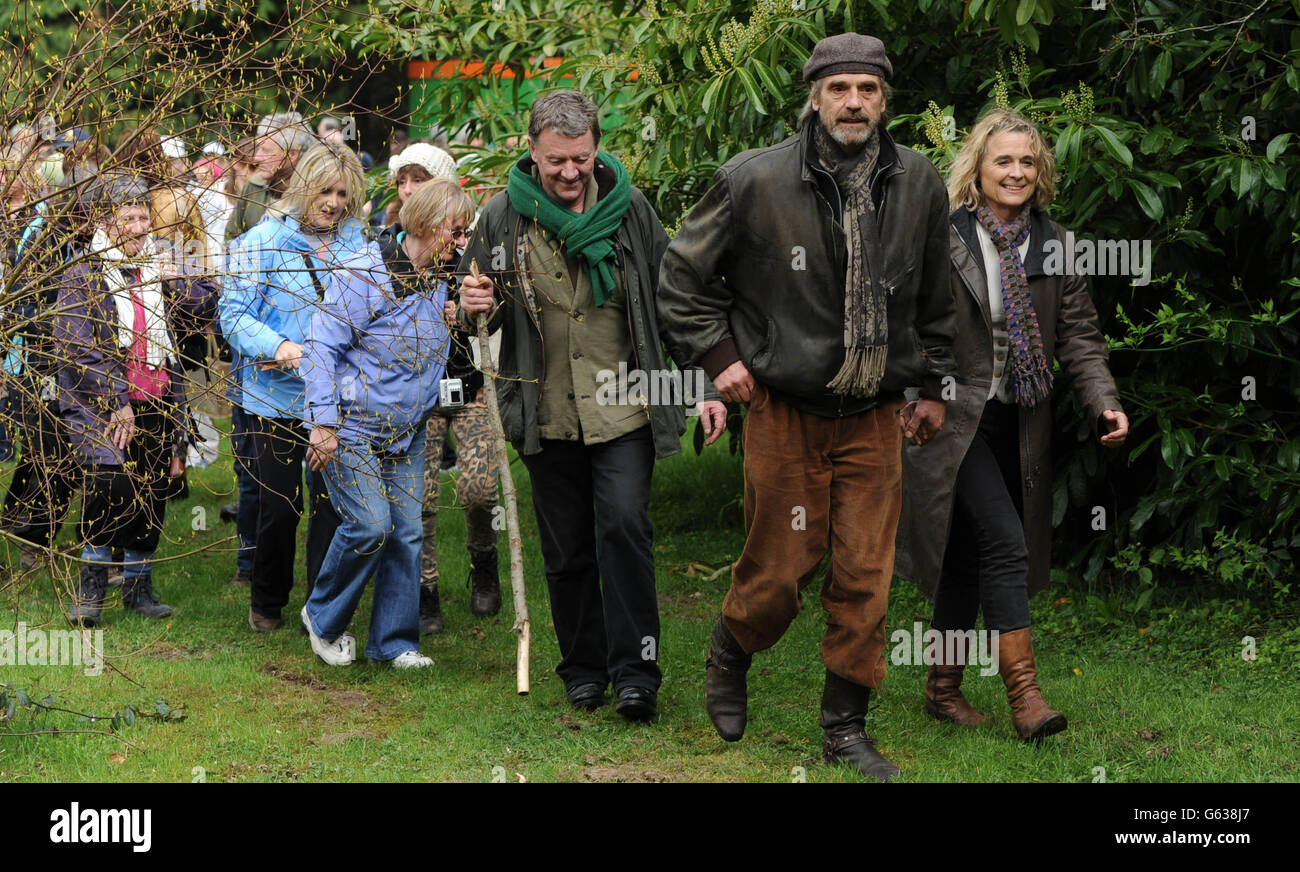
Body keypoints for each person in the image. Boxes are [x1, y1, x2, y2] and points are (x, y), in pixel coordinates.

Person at [657, 33, 958, 780]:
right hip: (786, 411)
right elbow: (680, 279)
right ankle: (731, 650)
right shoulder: (754, 180)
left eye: (867, 89)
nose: (853, 102)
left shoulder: (919, 181)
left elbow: (937, 301)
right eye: (838, 88)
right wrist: (720, 361)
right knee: (779, 571)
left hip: (873, 417)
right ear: (813, 97)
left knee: (866, 575)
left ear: (886, 100)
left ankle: (845, 728)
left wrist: (931, 385)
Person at [458, 90, 726, 721]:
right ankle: (583, 669)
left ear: (597, 148)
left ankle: (637, 673)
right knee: (567, 547)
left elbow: (675, 300)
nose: (570, 172)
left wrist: (705, 386)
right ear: (532, 151)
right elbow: (475, 311)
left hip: (625, 408)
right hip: (545, 409)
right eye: (556, 161)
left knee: (625, 530)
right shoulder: (500, 219)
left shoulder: (630, 210)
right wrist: (471, 303)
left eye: (580, 157)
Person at [893, 108, 1129, 741]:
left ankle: (942, 688)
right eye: (1003, 160)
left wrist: (1103, 400)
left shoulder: (1055, 242)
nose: (1016, 172)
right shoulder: (941, 236)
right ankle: (1025, 698)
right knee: (1005, 540)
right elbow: (909, 326)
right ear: (978, 166)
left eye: (1028, 161)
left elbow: (1078, 337)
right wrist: (918, 395)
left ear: (1040, 170)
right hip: (951, 417)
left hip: (1018, 420)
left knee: (969, 555)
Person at [299, 179, 462, 667]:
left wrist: (455, 320)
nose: (460, 240)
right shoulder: (364, 275)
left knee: (406, 532)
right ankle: (322, 616)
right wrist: (323, 423)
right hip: (352, 427)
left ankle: (394, 644)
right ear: (431, 226)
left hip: (407, 431)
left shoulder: (438, 279)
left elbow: (429, 354)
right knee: (371, 525)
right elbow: (321, 347)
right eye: (456, 230)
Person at [218, 143, 366, 632]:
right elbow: (233, 315)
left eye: (343, 193)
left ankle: (320, 608)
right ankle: (267, 601)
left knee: (330, 506)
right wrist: (279, 346)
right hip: (272, 396)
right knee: (279, 506)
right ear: (303, 187)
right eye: (324, 189)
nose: (333, 201)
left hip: (336, 400)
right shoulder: (260, 241)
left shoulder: (356, 245)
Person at [59, 173, 214, 626]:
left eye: (144, 215)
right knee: (110, 487)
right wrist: (116, 399)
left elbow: (206, 307)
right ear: (107, 221)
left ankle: (139, 589)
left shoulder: (161, 262)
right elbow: (76, 345)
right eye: (128, 217)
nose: (140, 225)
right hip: (104, 406)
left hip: (159, 400)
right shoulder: (83, 272)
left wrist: (176, 280)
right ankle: (90, 591)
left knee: (151, 493)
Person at [373, 144, 492, 633]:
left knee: (480, 490)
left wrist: (466, 313)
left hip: (466, 385)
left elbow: (493, 311)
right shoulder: (388, 253)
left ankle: (483, 562)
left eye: (418, 180)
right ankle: (426, 591)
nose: (407, 190)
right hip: (416, 395)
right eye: (401, 182)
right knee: (419, 499)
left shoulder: (469, 251)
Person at [224, 112, 314, 242]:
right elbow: (230, 238)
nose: (256, 158)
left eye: (266, 151)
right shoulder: (254, 186)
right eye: (259, 148)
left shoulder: (314, 193)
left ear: (292, 154)